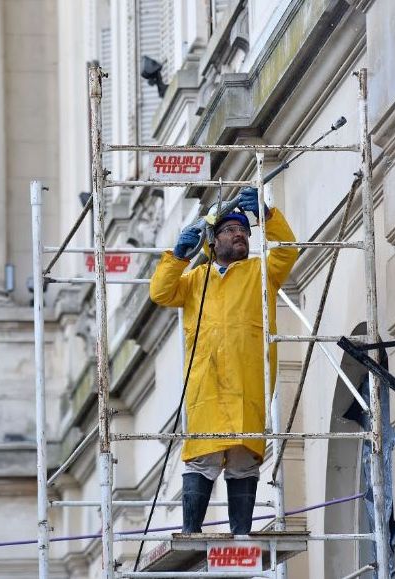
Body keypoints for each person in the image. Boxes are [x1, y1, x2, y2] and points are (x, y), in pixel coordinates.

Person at [149, 186, 298, 535]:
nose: (240, 236)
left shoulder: (261, 273)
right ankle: (190, 530)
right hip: (208, 386)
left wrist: (268, 217)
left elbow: (287, 252)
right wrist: (177, 256)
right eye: (231, 230)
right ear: (213, 242)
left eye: (245, 231)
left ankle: (241, 532)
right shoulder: (194, 281)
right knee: (203, 456)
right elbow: (159, 292)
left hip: (248, 383)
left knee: (245, 458)